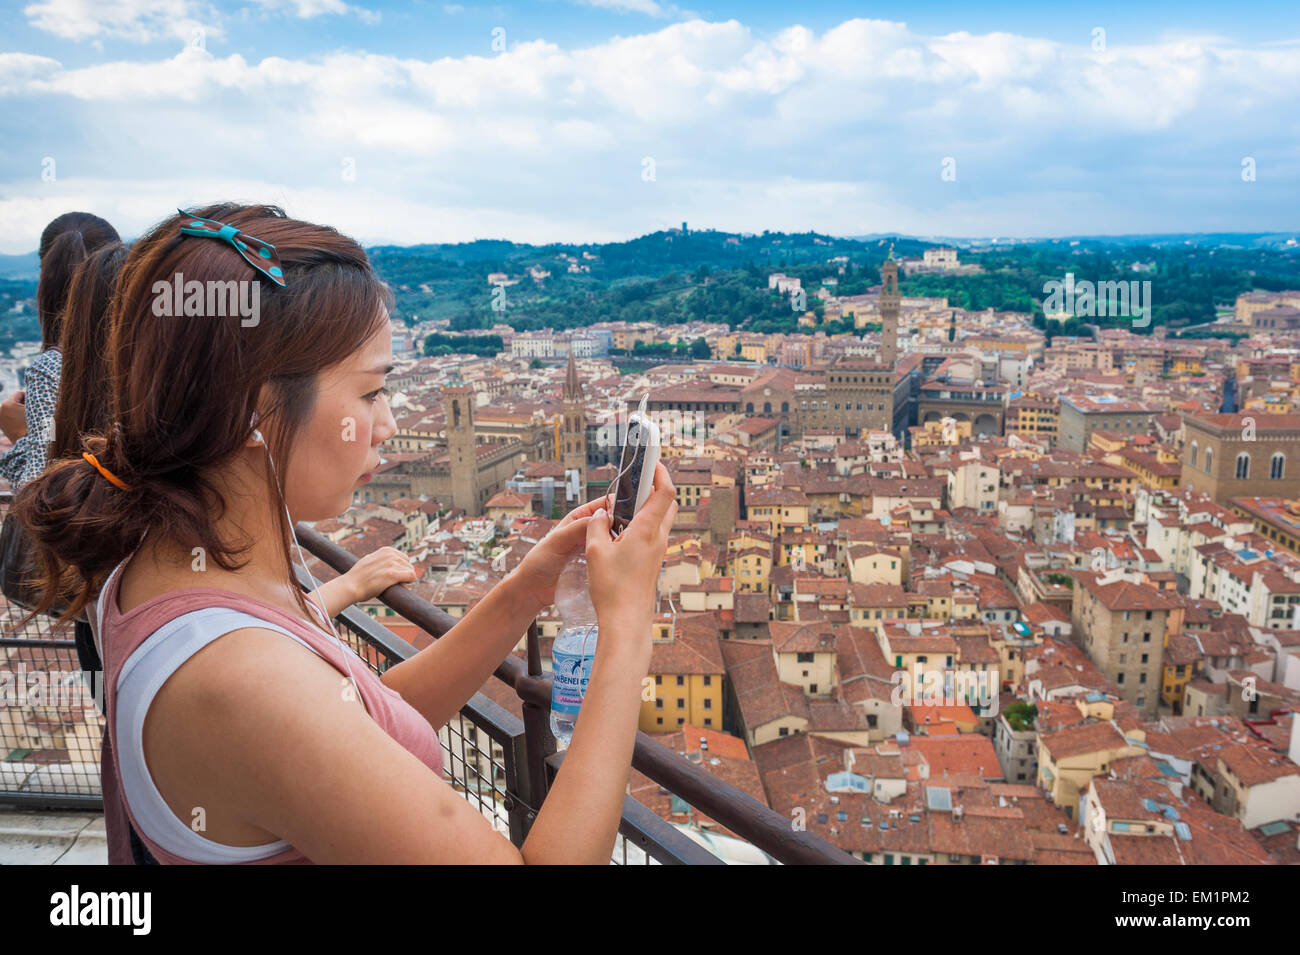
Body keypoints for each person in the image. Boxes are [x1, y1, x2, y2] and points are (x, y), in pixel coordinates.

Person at [14, 203, 676, 865]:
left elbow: (353, 722)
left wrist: (526, 587)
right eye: (369, 393)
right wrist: (627, 627)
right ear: (254, 405)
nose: (387, 424)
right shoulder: (239, 679)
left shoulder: (187, 561)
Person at [0, 212, 120, 490]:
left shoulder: (54, 368)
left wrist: (20, 437)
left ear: (47, 276)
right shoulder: (148, 354)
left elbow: (37, 491)